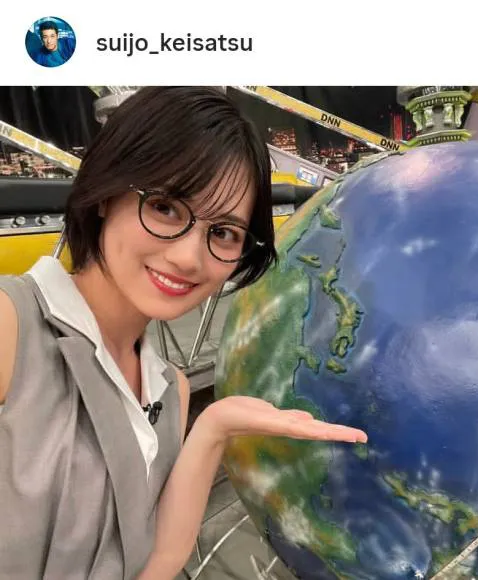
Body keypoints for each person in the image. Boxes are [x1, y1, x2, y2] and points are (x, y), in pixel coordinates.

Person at [0, 87, 367, 579]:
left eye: (223, 233)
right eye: (166, 207)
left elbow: (154, 565)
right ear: (107, 194)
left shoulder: (167, 390)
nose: (189, 257)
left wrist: (212, 428)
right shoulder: (12, 326)